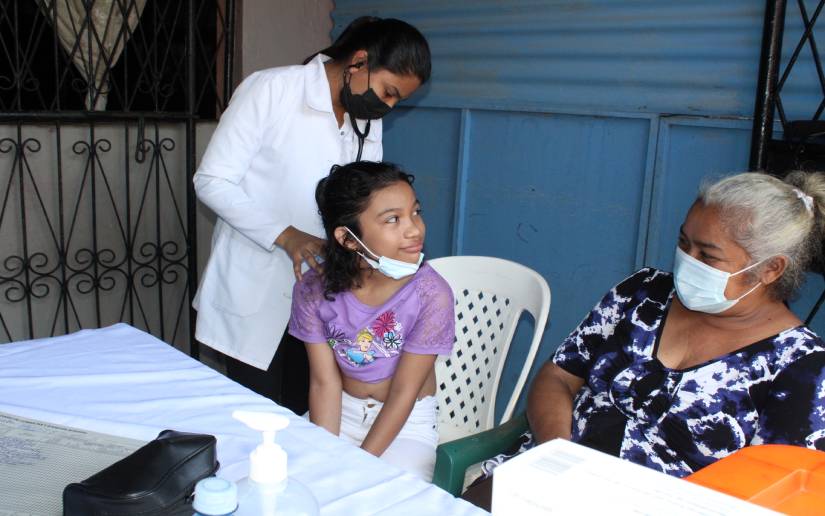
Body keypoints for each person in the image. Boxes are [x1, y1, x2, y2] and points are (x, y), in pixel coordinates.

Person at [464, 171, 825, 509]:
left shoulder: (802, 368)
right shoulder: (644, 293)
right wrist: (559, 452)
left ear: (770, 269)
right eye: (683, 243)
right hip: (543, 477)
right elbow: (558, 376)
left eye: (707, 255)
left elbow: (772, 494)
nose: (688, 260)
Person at [191, 17, 431, 413]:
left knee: (308, 413)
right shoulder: (272, 90)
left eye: (397, 101)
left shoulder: (364, 118)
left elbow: (363, 201)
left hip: (324, 295)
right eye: (388, 92)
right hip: (259, 288)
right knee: (257, 418)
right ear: (358, 62)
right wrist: (286, 236)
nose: (387, 107)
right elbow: (212, 180)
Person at [288, 161, 455, 481]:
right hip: (340, 410)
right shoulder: (313, 291)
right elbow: (325, 383)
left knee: (377, 495)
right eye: (393, 219)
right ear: (348, 239)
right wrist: (327, 453)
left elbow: (404, 392)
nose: (414, 229)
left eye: (415, 212)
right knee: (299, 480)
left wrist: (358, 464)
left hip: (405, 424)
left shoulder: (432, 295)